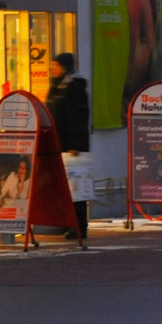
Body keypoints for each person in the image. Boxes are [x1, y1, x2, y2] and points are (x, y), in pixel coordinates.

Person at [45, 52, 93, 241]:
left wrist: (75, 145)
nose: (52, 69)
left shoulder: (74, 87)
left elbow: (78, 119)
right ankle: (67, 224)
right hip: (58, 144)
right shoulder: (56, 86)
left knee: (76, 188)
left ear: (65, 67)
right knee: (64, 188)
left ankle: (79, 227)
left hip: (72, 148)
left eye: (55, 66)